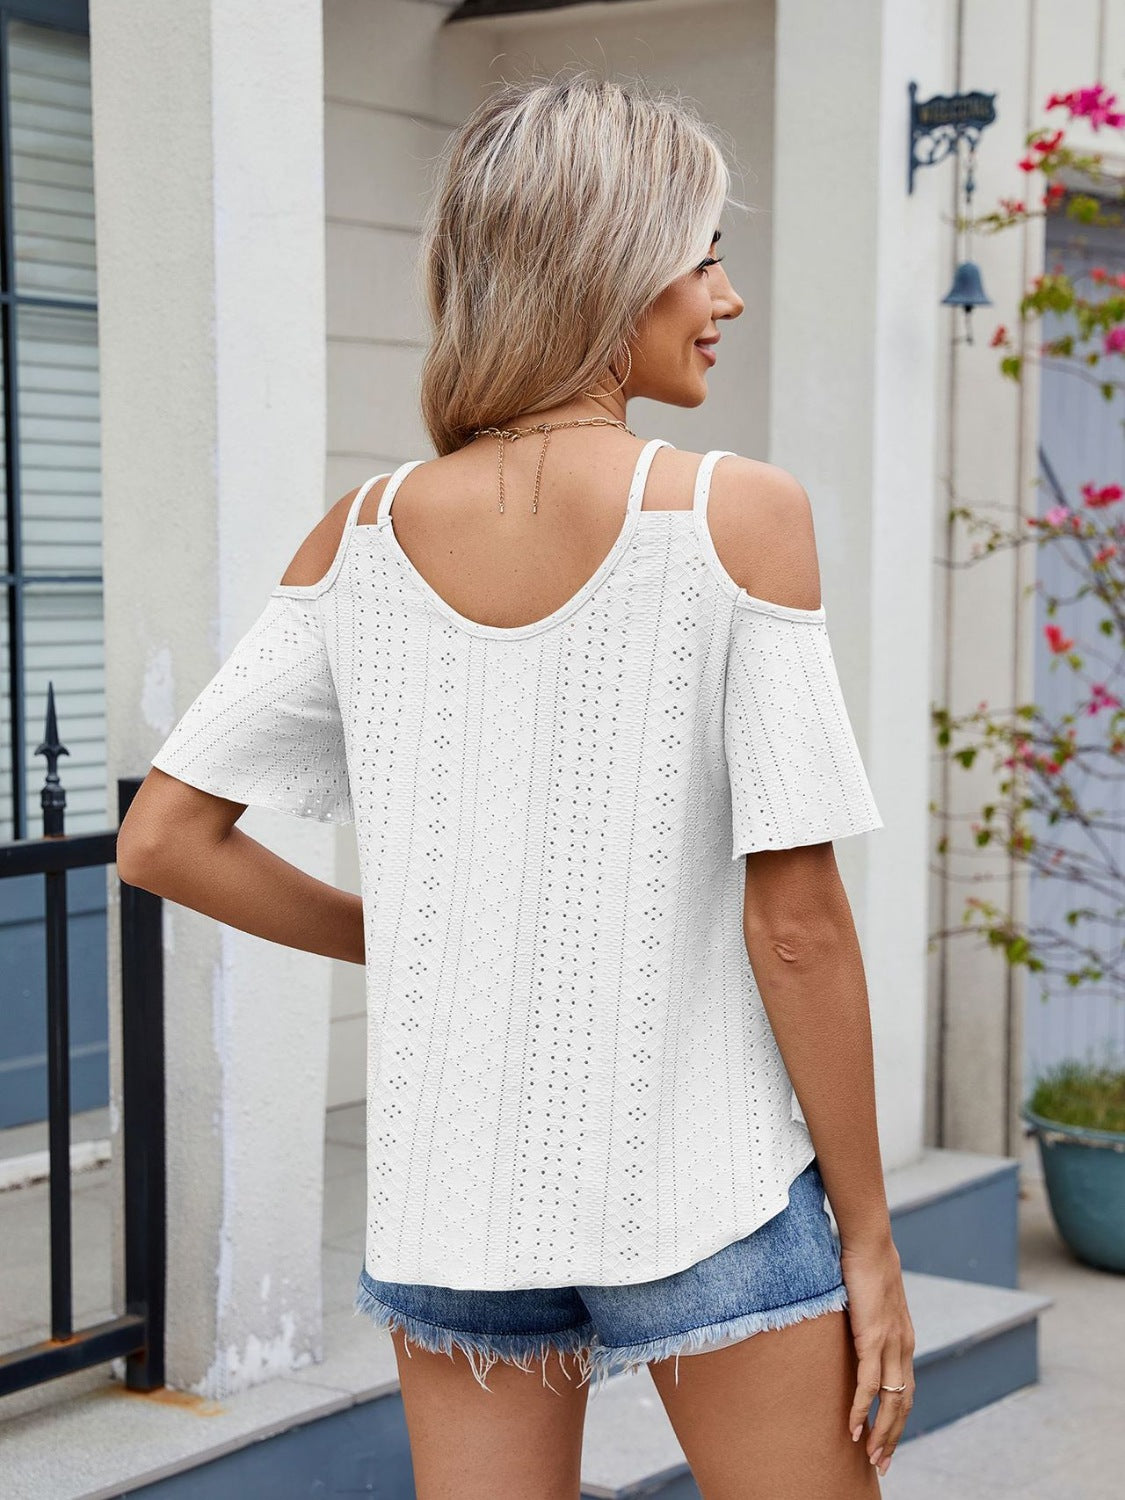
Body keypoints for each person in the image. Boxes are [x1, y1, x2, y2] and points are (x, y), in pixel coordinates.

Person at [118, 68, 914, 1500]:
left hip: (453, 1204)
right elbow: (794, 923)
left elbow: (164, 839)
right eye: (703, 256)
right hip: (706, 1186)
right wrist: (868, 1234)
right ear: (611, 262)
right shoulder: (735, 514)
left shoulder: (355, 535)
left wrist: (406, 939)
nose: (727, 296)